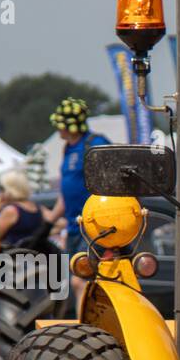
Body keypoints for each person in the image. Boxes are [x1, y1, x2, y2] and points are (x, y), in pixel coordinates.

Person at [42, 98, 111, 260]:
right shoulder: (67, 148)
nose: (57, 128)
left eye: (60, 124)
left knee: (79, 279)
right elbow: (66, 190)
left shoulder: (96, 143)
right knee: (72, 276)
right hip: (73, 227)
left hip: (94, 227)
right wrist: (51, 219)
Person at [0, 169, 45, 247]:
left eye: (2, 189)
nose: (1, 193)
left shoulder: (11, 211)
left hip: (14, 256)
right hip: (35, 255)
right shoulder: (37, 208)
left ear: (9, 189)